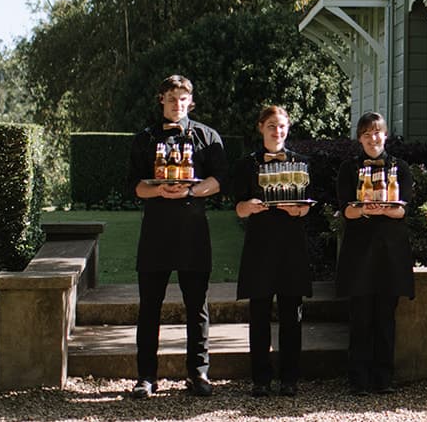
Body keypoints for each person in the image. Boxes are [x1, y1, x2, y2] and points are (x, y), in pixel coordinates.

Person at [126, 74, 226, 398]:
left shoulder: (208, 137)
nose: (176, 104)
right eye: (171, 98)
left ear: (190, 102)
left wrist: (192, 190)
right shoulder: (144, 138)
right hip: (155, 232)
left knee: (197, 306)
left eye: (182, 99)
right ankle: (145, 377)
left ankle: (198, 374)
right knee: (149, 307)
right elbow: (135, 186)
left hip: (193, 232)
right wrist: (161, 192)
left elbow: (219, 180)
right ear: (161, 100)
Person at [229, 105, 312, 397]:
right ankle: (260, 379)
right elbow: (238, 208)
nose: (277, 131)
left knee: (293, 314)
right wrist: (248, 207)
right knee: (259, 312)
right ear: (261, 128)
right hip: (260, 245)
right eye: (271, 126)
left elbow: (306, 208)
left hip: (291, 244)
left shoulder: (301, 163)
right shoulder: (246, 165)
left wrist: (299, 210)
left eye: (282, 126)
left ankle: (290, 378)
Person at [337, 112, 415, 393]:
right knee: (360, 318)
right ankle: (357, 379)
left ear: (386, 135)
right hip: (359, 251)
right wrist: (363, 209)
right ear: (359, 138)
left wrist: (380, 210)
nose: (373, 138)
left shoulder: (400, 167)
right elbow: (346, 210)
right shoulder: (348, 168)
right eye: (367, 133)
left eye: (377, 132)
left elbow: (402, 210)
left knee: (385, 318)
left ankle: (383, 378)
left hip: (390, 252)